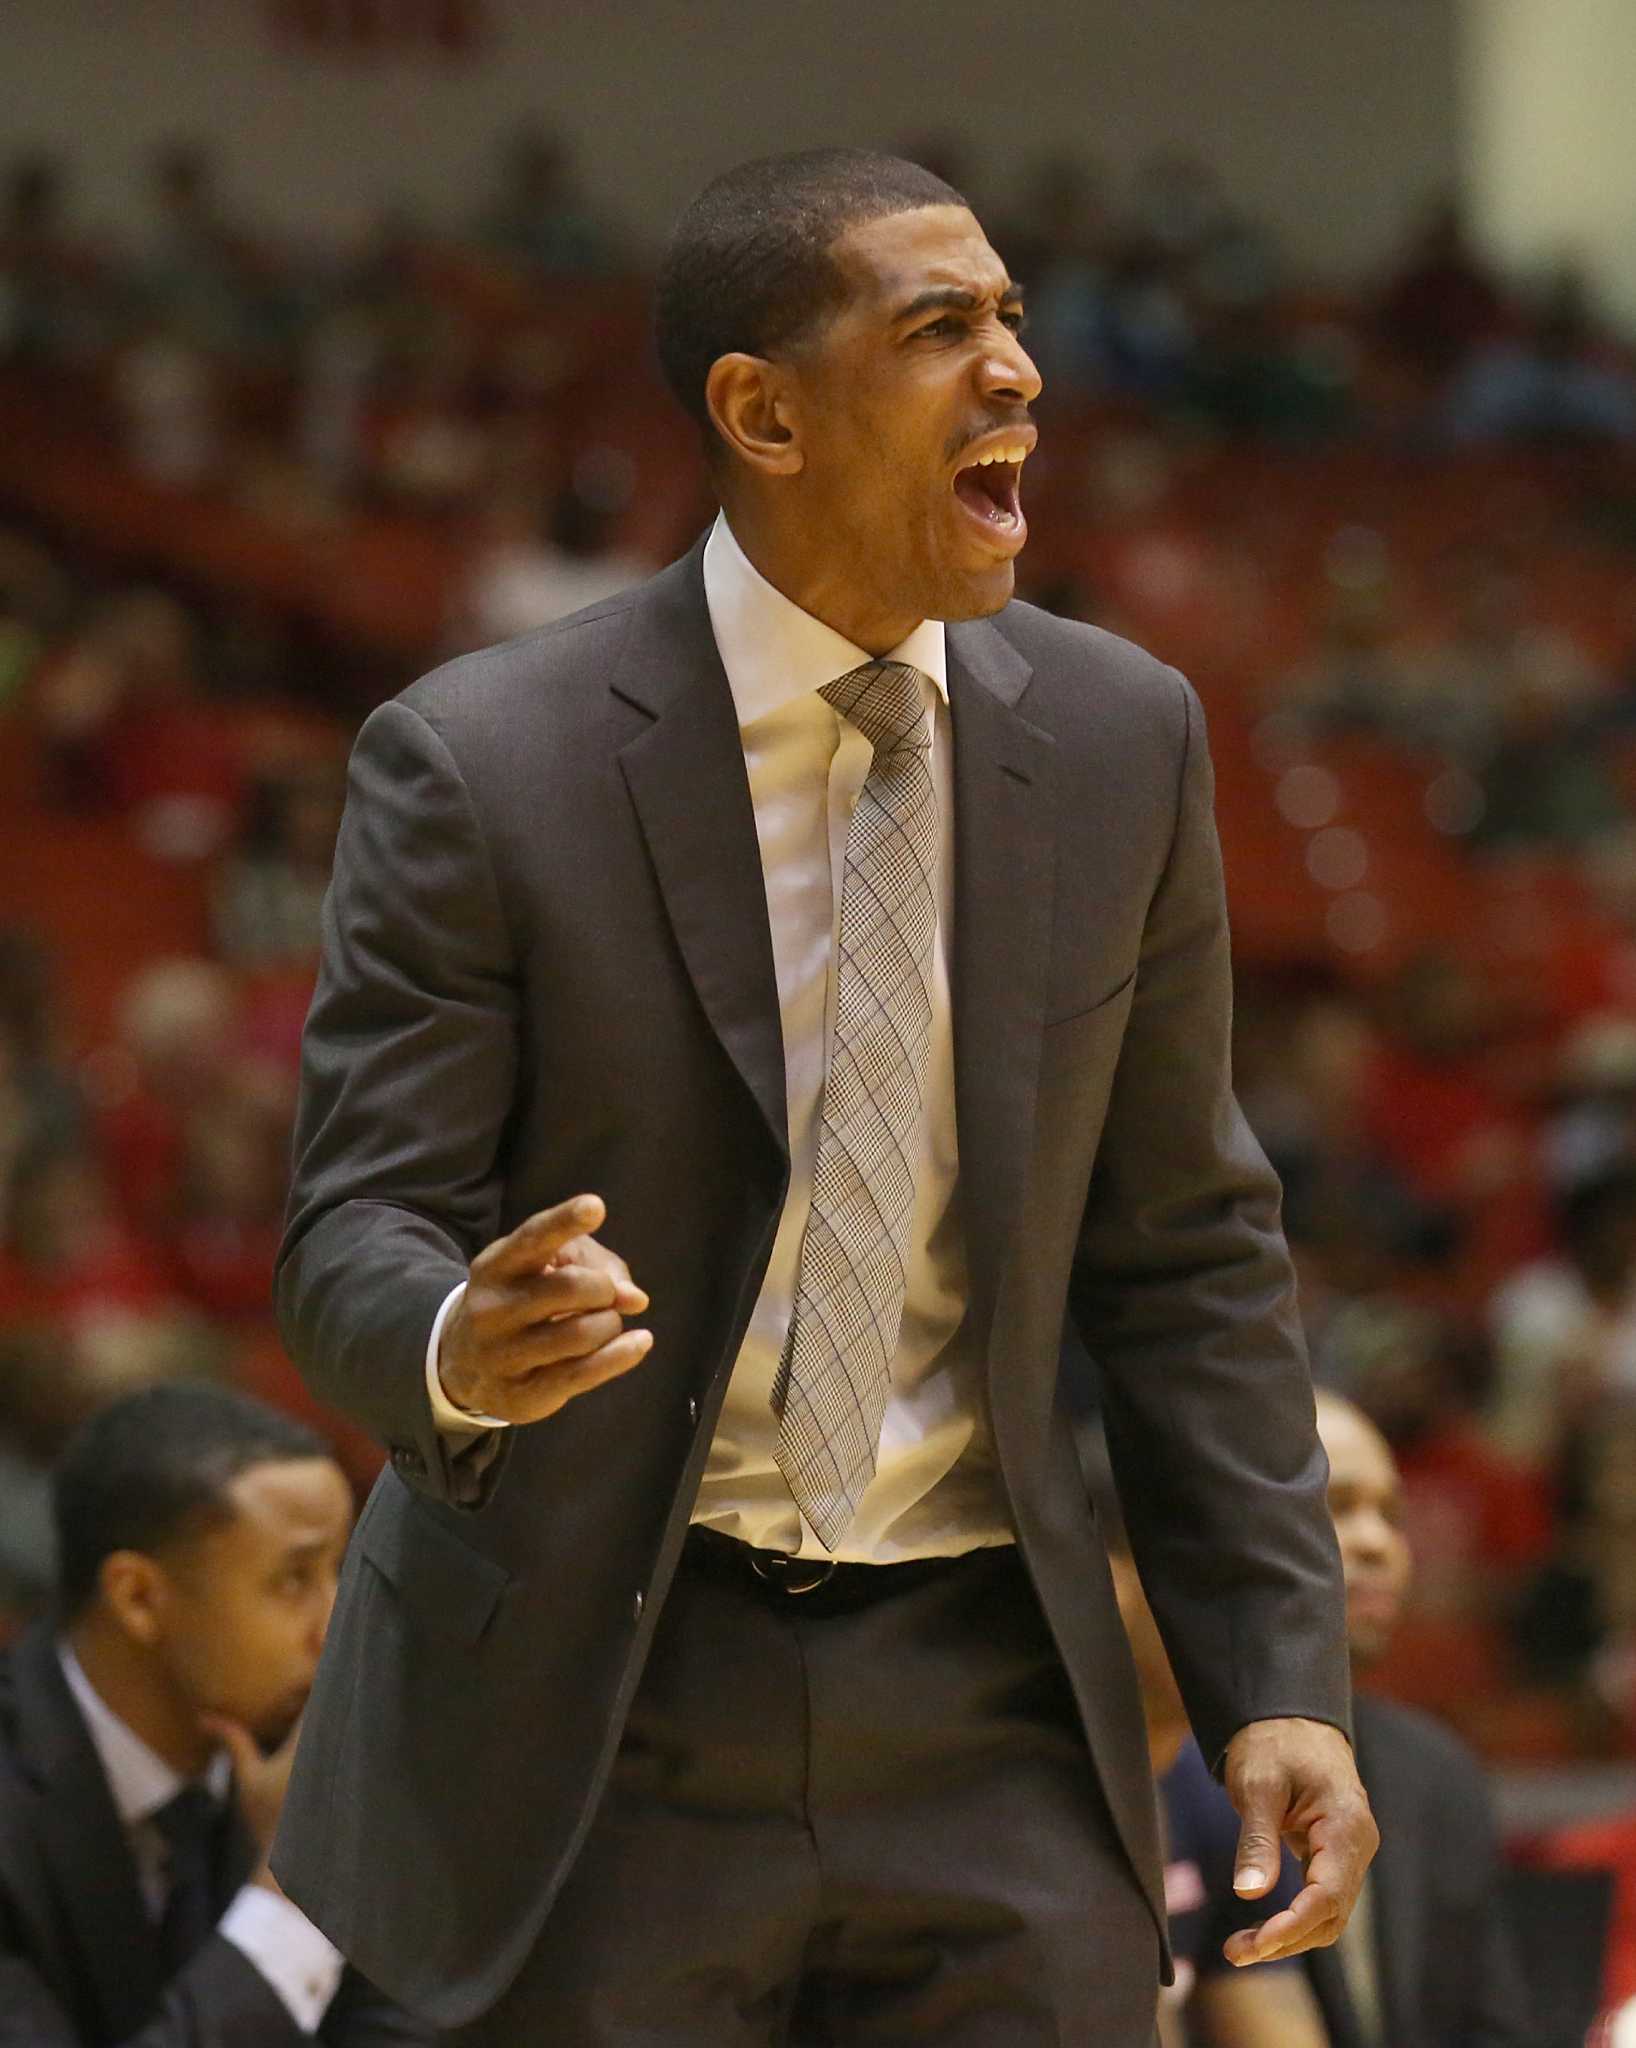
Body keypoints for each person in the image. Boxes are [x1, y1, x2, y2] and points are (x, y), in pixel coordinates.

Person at [273, 148, 1374, 2044]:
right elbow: (352, 1225)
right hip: (603, 1683)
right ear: (761, 410)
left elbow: (1189, 1250)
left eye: (1014, 318)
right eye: (941, 326)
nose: (1018, 369)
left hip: (987, 1686)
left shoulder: (1123, 739)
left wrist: (1279, 1671)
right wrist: (463, 1330)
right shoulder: (482, 760)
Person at [0, 1381, 430, 2043]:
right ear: (140, 1598)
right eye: (293, 1579)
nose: (337, 1626)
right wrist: (293, 1898)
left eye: (340, 1570)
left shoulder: (313, 1751)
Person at [1083, 1430, 1332, 2047]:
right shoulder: (1000, 1794)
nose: (1271, 1613)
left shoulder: (1216, 1794)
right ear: (1103, 1579)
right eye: (1231, 1570)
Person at [1303, 1390, 1530, 2046]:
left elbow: (1494, 2028)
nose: (1377, 1543)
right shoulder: (1166, 1753)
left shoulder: (1436, 1769)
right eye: (1336, 1506)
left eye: (1392, 1513)